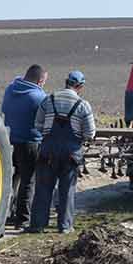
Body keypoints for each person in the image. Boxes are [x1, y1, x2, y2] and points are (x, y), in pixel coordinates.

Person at [29, 70, 96, 234]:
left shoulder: (48, 100)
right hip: (71, 154)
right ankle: (65, 226)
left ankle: (38, 225)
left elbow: (37, 124)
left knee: (43, 189)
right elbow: (90, 133)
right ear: (79, 86)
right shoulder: (83, 105)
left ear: (66, 82)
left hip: (48, 151)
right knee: (67, 190)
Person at [0, 65, 48, 228]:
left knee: (11, 178)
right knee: (28, 181)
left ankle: (4, 213)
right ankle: (22, 218)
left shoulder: (10, 89)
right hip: (30, 142)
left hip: (9, 140)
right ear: (40, 80)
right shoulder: (39, 97)